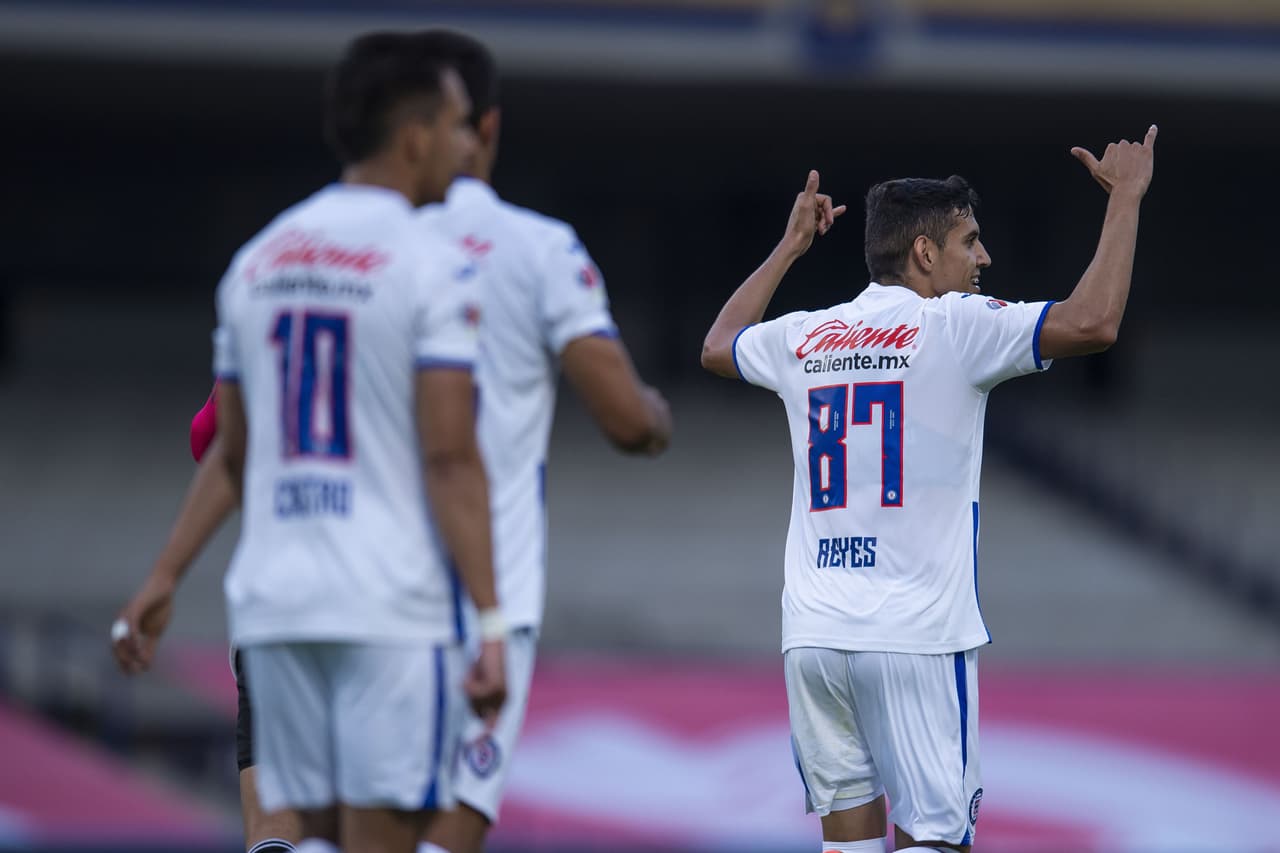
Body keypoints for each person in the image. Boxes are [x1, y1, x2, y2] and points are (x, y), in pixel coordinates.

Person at [700, 127, 1157, 853]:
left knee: (848, 846)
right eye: (969, 241)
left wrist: (789, 248)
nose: (984, 258)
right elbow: (1093, 322)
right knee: (937, 841)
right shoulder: (953, 325)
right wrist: (1126, 197)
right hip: (914, 637)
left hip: (814, 637)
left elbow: (718, 345)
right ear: (923, 253)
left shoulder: (807, 335)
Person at [125, 31, 506, 853]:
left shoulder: (258, 261)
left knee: (280, 838)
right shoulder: (432, 263)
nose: (466, 144)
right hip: (386, 603)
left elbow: (226, 445)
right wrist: (491, 618)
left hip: (277, 599)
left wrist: (164, 575)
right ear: (414, 137)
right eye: (454, 125)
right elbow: (449, 457)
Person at [413, 30, 672, 853]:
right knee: (446, 830)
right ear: (486, 126)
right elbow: (627, 421)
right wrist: (657, 413)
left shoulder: (362, 249)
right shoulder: (537, 247)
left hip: (362, 579)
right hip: (484, 596)